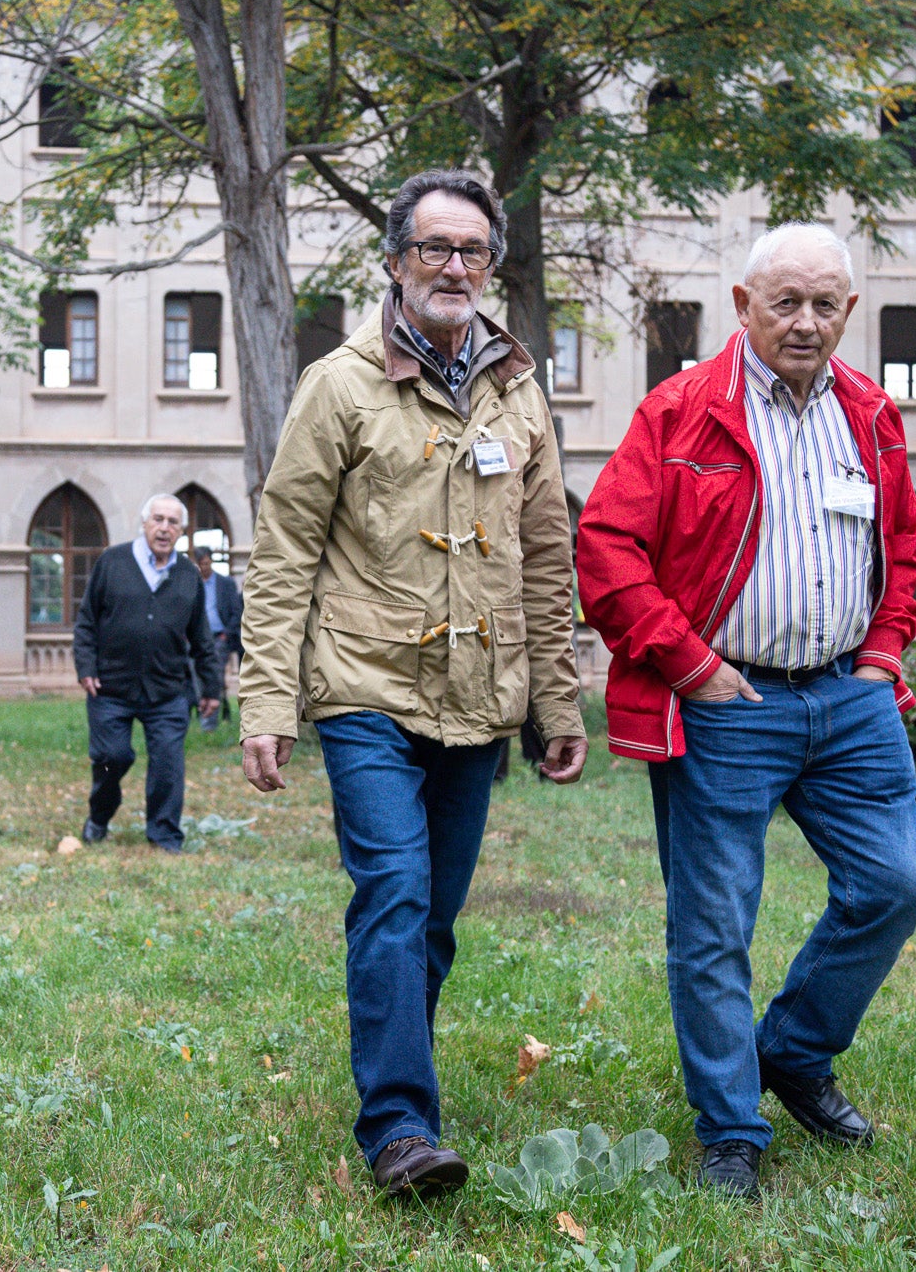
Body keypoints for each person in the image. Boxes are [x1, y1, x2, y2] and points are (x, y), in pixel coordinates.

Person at [239, 169, 587, 1199]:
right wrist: (269, 701)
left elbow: (544, 553)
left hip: (479, 696)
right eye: (434, 247)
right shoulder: (339, 385)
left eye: (472, 250)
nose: (453, 266)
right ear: (394, 262)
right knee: (392, 890)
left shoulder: (517, 390)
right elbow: (285, 548)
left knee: (432, 917)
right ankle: (396, 1125)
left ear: (491, 266)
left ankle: (401, 1077)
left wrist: (556, 700)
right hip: (366, 688)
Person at [575, 222, 916, 1201]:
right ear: (743, 306)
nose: (805, 322)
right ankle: (731, 1129)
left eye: (824, 304)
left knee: (895, 884)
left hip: (849, 696)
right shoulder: (680, 411)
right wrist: (688, 664)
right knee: (713, 928)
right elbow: (605, 549)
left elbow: (904, 542)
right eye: (785, 303)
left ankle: (793, 1049)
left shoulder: (870, 412)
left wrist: (883, 650)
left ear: (848, 310)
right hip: (726, 700)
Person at [74, 494, 222, 852]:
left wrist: (211, 688)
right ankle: (99, 817)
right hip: (110, 687)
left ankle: (165, 836)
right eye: (158, 519)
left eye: (173, 522)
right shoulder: (112, 562)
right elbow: (87, 621)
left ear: (181, 531)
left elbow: (201, 636)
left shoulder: (188, 574)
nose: (164, 528)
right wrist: (86, 667)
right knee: (112, 758)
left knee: (168, 766)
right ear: (144, 523)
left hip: (167, 690)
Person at [190, 544, 243, 732]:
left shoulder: (225, 583)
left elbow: (236, 611)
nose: (204, 567)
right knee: (198, 679)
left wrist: (225, 634)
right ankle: (205, 720)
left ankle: (210, 725)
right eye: (200, 564)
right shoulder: (192, 585)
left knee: (216, 678)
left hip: (219, 638)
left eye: (206, 563)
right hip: (197, 639)